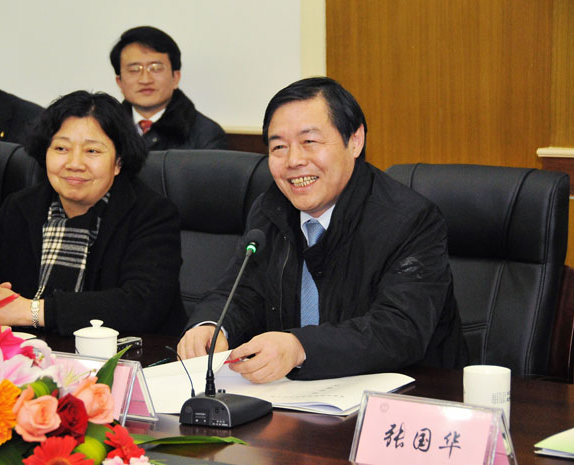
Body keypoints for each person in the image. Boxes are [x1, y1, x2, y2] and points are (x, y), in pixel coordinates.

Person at [178, 77, 467, 382]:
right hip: (296, 394)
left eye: (309, 142)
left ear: (354, 141)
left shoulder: (410, 219)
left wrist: (301, 347)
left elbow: (400, 329)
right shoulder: (270, 209)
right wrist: (211, 326)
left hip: (408, 393)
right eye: (279, 147)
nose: (294, 161)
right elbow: (241, 291)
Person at [0, 91, 186, 335]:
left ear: (118, 162)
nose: (74, 163)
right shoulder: (23, 207)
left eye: (92, 151)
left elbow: (141, 305)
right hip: (33, 357)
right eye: (61, 148)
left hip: (130, 359)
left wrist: (30, 311)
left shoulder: (152, 213)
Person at [110, 26, 227, 150]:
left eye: (156, 68)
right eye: (134, 69)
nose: (145, 80)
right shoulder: (106, 129)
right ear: (119, 82)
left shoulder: (206, 135)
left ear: (175, 78)